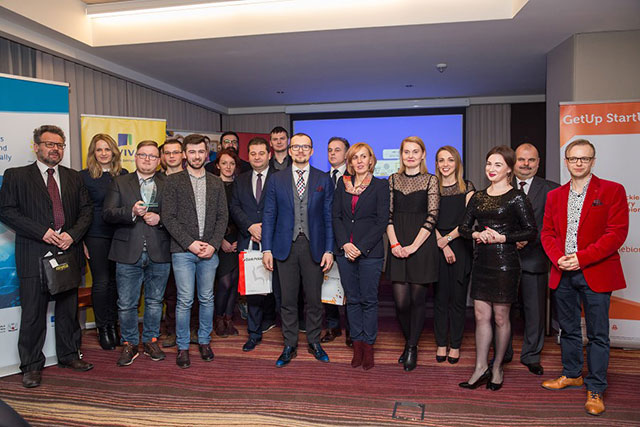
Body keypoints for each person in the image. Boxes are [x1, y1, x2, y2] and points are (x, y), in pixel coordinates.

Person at [0, 125, 94, 388]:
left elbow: (87, 211)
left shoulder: (74, 177)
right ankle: (31, 366)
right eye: (50, 144)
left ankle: (69, 355)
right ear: (36, 147)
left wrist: (72, 235)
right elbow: (6, 211)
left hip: (68, 252)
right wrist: (41, 232)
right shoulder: (16, 176)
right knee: (33, 313)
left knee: (68, 310)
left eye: (60, 145)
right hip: (33, 254)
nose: (55, 149)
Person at [541, 139, 628, 416]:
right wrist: (558, 258)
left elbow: (616, 233)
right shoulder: (555, 195)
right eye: (573, 158)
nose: (578, 163)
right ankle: (572, 374)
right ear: (566, 161)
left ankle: (596, 387)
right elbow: (547, 233)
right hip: (563, 271)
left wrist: (582, 258)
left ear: (593, 161)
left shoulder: (613, 190)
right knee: (568, 329)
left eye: (584, 158)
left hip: (596, 271)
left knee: (598, 334)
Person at [458, 145, 536, 391]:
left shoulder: (517, 197)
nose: (491, 169)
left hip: (505, 264)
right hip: (482, 262)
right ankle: (480, 367)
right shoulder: (478, 196)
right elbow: (463, 228)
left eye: (498, 164)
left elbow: (531, 231)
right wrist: (477, 234)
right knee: (481, 316)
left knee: (501, 318)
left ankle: (497, 367)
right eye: (489, 164)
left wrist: (503, 237)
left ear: (509, 169)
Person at [262, 133, 334, 367]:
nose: (301, 151)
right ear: (290, 150)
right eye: (296, 147)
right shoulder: (276, 179)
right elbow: (269, 214)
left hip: (314, 246)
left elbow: (328, 217)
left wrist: (329, 249)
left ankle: (314, 341)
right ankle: (289, 344)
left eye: (305, 147)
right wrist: (266, 249)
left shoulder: (323, 178)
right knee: (288, 300)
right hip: (285, 247)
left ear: (312, 151)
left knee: (314, 300)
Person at [162, 134, 228, 368]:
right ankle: (182, 346)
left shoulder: (216, 182)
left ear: (207, 153)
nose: (197, 156)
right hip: (183, 251)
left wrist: (213, 244)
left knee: (207, 298)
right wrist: (189, 243)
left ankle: (204, 341)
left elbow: (222, 217)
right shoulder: (173, 182)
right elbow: (168, 217)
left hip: (210, 251)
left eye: (201, 151)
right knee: (184, 300)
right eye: (192, 152)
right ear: (184, 154)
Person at [103, 140, 171, 367]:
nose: (147, 159)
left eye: (152, 156)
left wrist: (160, 219)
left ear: (159, 160)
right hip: (127, 251)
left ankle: (151, 341)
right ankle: (130, 343)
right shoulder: (120, 182)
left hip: (159, 251)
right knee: (126, 304)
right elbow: (107, 214)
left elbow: (178, 216)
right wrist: (130, 212)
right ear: (136, 157)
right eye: (143, 155)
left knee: (155, 301)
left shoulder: (168, 183)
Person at [332, 143, 389, 370]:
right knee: (352, 299)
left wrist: (360, 247)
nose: (360, 161)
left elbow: (381, 221)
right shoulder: (342, 183)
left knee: (369, 300)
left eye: (364, 157)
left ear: (371, 160)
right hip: (344, 251)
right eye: (355, 157)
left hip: (370, 253)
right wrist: (345, 244)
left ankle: (368, 346)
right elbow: (336, 217)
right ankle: (357, 345)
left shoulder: (380, 186)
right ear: (350, 162)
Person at [386, 136, 440, 372]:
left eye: (415, 151)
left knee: (418, 300)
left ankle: (411, 347)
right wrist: (395, 245)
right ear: (401, 155)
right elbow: (387, 215)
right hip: (397, 243)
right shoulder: (392, 179)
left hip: (422, 245)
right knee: (401, 302)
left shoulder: (431, 180)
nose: (410, 156)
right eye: (406, 151)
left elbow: (432, 216)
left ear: (423, 155)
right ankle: (410, 341)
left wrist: (414, 247)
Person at [509, 143, 559, 375]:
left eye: (531, 160)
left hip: (535, 258)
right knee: (503, 311)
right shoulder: (499, 185)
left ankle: (531, 355)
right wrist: (511, 239)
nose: (526, 164)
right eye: (521, 159)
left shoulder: (551, 190)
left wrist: (527, 239)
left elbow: (554, 226)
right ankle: (503, 351)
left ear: (538, 163)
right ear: (514, 162)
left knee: (535, 311)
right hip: (505, 259)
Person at [230, 137, 279, 352]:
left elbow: (285, 208)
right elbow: (234, 207)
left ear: (269, 155)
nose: (257, 157)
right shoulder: (240, 180)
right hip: (248, 239)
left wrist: (265, 229)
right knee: (253, 290)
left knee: (279, 289)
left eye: (261, 153)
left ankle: (286, 334)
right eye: (253, 153)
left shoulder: (280, 178)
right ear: (248, 156)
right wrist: (250, 226)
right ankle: (253, 333)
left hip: (275, 241)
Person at [80, 133, 128, 350]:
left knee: (117, 282)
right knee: (101, 282)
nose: (103, 153)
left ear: (114, 152)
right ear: (93, 152)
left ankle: (114, 324)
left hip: (120, 235)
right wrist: (82, 240)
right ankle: (103, 328)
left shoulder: (123, 175)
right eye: (99, 149)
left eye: (107, 149)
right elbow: (80, 210)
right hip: (95, 234)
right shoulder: (84, 177)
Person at [433, 146, 475, 365]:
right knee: (440, 299)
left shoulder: (467, 188)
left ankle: (455, 345)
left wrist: (448, 240)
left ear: (457, 163)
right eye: (441, 160)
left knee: (458, 300)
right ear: (436, 164)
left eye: (450, 160)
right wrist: (442, 244)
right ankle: (441, 343)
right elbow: (428, 219)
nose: (445, 164)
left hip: (461, 246)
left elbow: (467, 222)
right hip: (436, 245)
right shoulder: (433, 187)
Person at [322, 136, 352, 347]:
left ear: (347, 153)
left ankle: (351, 330)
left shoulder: (355, 178)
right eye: (329, 150)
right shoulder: (320, 178)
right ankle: (333, 326)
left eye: (337, 150)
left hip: (348, 240)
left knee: (350, 288)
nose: (332, 153)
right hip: (325, 241)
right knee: (328, 285)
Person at [212, 148, 241, 337]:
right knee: (224, 282)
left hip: (238, 238)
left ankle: (229, 319)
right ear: (217, 165)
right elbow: (209, 216)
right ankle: (218, 318)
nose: (228, 167)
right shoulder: (212, 185)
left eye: (231, 163)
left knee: (234, 282)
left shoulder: (240, 185)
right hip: (218, 240)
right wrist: (220, 240)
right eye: (224, 163)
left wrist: (239, 239)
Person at [159, 138, 184, 348]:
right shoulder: (156, 180)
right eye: (167, 153)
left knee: (192, 291)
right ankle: (171, 330)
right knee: (170, 291)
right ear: (162, 157)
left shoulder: (191, 178)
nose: (172, 156)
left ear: (183, 154)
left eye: (176, 152)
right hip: (162, 243)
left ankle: (192, 328)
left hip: (188, 244)